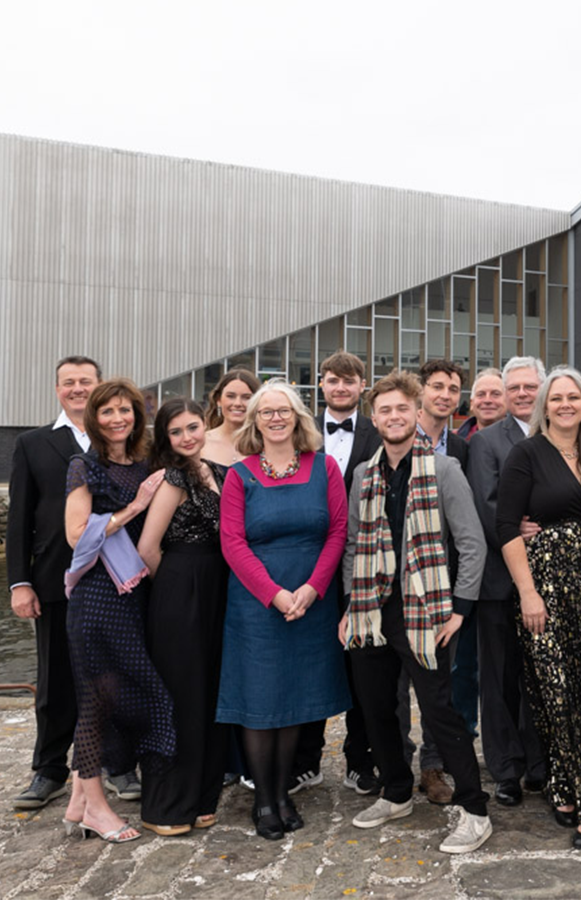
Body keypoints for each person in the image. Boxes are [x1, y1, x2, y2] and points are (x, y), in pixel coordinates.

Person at [340, 370, 493, 854]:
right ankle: (396, 791)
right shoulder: (365, 474)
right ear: (374, 417)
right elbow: (351, 545)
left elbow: (471, 543)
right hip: (370, 608)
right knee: (377, 707)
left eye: (401, 408)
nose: (393, 416)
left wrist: (459, 610)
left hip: (426, 612)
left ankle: (474, 810)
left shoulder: (444, 469)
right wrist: (349, 605)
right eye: (384, 410)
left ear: (416, 413)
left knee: (440, 711)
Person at [496, 365, 581, 848]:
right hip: (545, 590)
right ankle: (570, 787)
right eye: (557, 399)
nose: (566, 405)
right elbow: (507, 526)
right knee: (558, 695)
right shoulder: (526, 454)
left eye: (574, 398)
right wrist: (529, 593)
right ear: (544, 406)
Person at [217, 380, 351, 841]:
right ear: (254, 421)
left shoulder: (325, 468)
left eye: (284, 411)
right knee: (260, 701)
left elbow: (337, 531)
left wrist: (313, 588)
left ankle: (285, 791)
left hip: (312, 600)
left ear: (298, 417)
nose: (275, 418)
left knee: (295, 699)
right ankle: (263, 798)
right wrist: (274, 594)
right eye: (266, 412)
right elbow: (232, 543)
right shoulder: (240, 475)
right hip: (258, 606)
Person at [8, 356, 141, 810]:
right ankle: (48, 769)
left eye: (87, 382)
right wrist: (19, 583)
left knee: (117, 674)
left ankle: (119, 764)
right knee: (56, 679)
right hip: (54, 580)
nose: (78, 389)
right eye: (69, 382)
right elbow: (19, 519)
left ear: (101, 388)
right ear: (57, 388)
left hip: (118, 578)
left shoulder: (130, 443)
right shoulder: (33, 444)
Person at [60, 378, 174, 843]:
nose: (117, 419)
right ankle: (98, 808)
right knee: (96, 702)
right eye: (107, 412)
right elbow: (75, 534)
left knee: (108, 699)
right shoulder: (83, 465)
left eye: (124, 410)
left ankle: (78, 798)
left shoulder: (147, 463)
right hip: (98, 598)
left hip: (136, 596)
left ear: (137, 415)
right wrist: (134, 508)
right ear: (94, 418)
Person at [134, 398, 231, 836]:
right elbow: (147, 549)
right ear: (166, 439)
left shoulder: (221, 473)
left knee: (210, 693)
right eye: (176, 432)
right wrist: (175, 591)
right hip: (179, 590)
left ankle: (204, 797)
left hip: (219, 588)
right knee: (181, 695)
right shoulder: (170, 478)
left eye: (193, 427)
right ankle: (168, 805)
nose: (187, 437)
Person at [466, 356, 548, 808]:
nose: (520, 393)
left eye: (528, 386)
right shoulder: (487, 442)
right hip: (498, 579)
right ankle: (505, 770)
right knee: (497, 679)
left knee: (539, 674)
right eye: (512, 386)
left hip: (551, 577)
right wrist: (518, 526)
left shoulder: (556, 432)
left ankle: (540, 763)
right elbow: (488, 502)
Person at [305, 351, 383, 798]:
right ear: (321, 384)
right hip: (308, 562)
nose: (340, 388)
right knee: (312, 661)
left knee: (362, 668)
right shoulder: (301, 429)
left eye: (349, 381)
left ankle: (360, 760)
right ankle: (306, 759)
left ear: (361, 385)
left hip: (362, 561)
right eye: (332, 380)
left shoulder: (376, 432)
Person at [413, 358, 472, 804]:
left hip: (444, 580)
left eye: (453, 389)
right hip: (395, 577)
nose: (446, 395)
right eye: (438, 386)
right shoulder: (386, 438)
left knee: (440, 680)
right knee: (396, 684)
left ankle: (433, 766)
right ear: (421, 391)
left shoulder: (465, 449)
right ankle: (395, 761)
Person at [203, 369, 260, 467]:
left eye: (246, 397)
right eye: (231, 396)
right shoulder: (201, 443)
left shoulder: (265, 444)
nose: (238, 403)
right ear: (218, 401)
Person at [458, 368, 505, 439]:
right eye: (481, 394)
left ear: (507, 401)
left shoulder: (523, 440)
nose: (487, 400)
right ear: (472, 403)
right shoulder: (453, 443)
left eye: (495, 394)